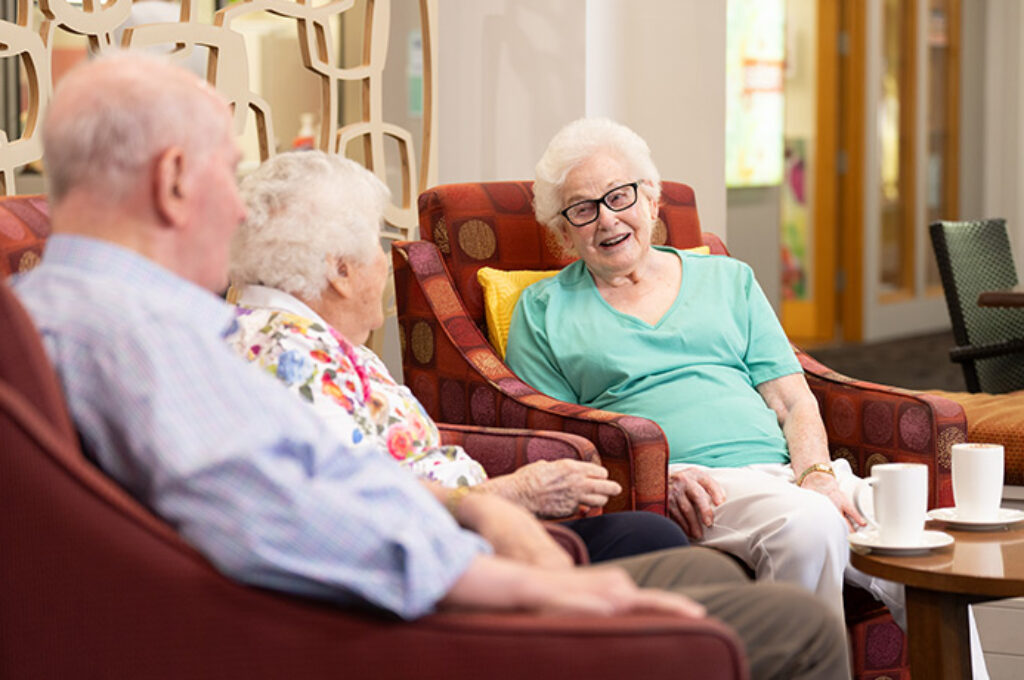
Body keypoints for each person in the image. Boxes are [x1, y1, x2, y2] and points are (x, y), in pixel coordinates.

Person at [12, 53, 852, 680]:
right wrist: (528, 579)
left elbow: (297, 484)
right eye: (229, 176)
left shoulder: (73, 316)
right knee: (793, 623)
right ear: (170, 181)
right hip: (387, 629)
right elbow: (284, 526)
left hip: (389, 586)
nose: (241, 212)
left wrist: (479, 515)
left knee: (718, 575)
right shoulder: (147, 340)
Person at [506, 116, 991, 680]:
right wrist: (655, 478)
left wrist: (816, 473)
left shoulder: (728, 280)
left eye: (619, 196)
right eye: (583, 209)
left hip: (789, 473)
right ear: (565, 232)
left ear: (653, 198)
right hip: (701, 483)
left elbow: (792, 399)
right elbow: (557, 434)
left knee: (920, 543)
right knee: (808, 526)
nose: (607, 219)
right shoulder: (542, 311)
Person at [225, 150, 689, 563]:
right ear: (341, 272)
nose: (385, 262)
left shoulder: (300, 335)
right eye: (377, 244)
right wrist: (509, 494)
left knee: (657, 541)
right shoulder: (290, 355)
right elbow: (351, 502)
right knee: (652, 540)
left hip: (462, 529)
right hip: (446, 551)